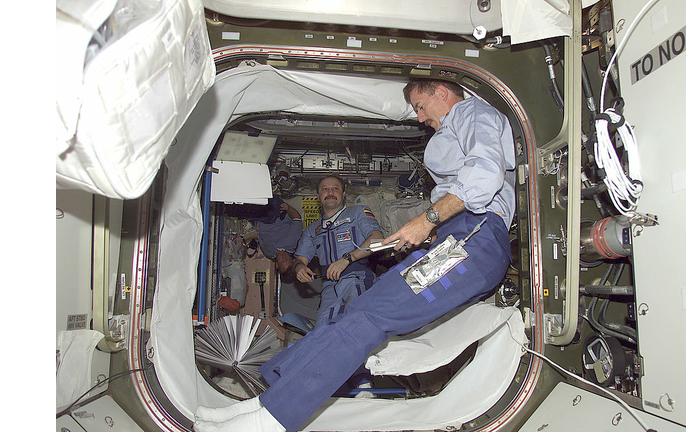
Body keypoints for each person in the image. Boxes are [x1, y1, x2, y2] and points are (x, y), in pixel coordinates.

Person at [194, 78, 517, 432]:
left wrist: (427, 221)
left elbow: (485, 176)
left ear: (441, 90)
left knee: (370, 315)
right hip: (458, 240)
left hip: (477, 237)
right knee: (357, 312)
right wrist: (427, 235)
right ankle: (265, 401)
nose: (421, 117)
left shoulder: (474, 112)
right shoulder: (457, 126)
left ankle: (271, 420)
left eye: (421, 106)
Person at [292, 174, 384, 327]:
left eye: (335, 188)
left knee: (357, 325)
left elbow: (377, 239)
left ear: (343, 194)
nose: (330, 192)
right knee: (322, 334)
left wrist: (347, 259)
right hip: (329, 288)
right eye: (325, 189)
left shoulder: (357, 213)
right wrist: (299, 268)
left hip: (356, 279)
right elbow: (300, 260)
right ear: (318, 196)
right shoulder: (312, 230)